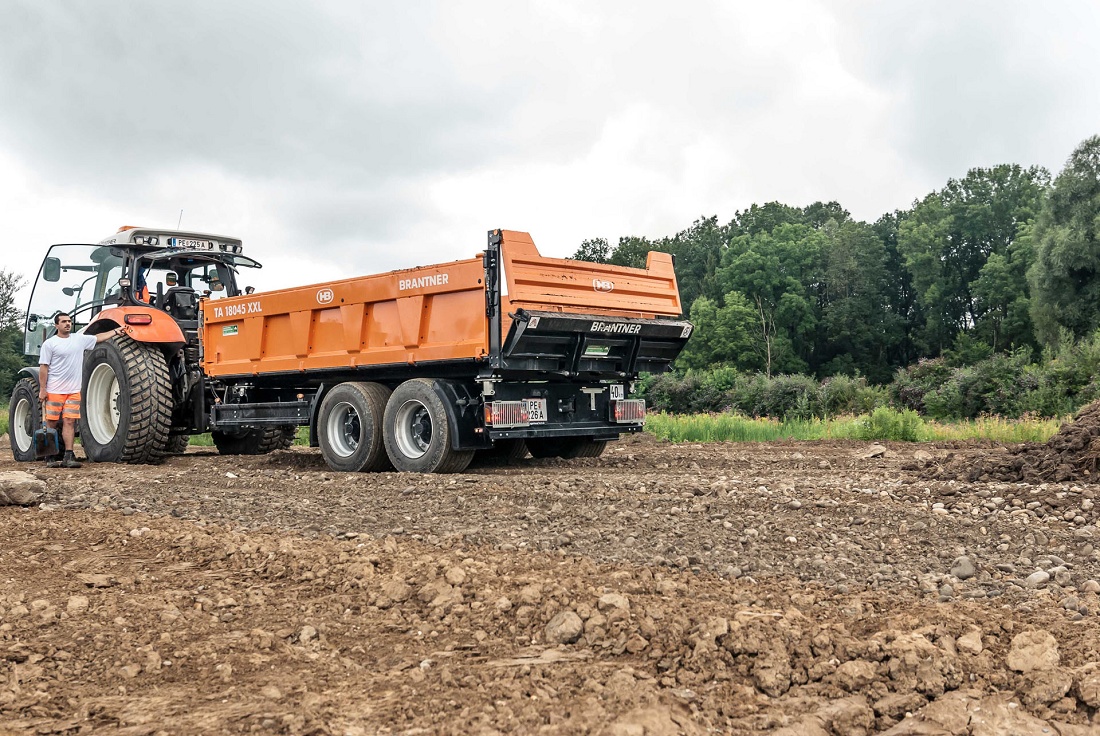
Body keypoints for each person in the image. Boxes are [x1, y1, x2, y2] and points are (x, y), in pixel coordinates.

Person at [38, 313, 125, 468]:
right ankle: (49, 456)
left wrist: (115, 331)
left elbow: (98, 337)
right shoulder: (49, 344)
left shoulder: (79, 339)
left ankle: (68, 456)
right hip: (54, 390)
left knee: (70, 422)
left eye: (69, 321)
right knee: (51, 423)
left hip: (73, 390)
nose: (67, 324)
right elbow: (44, 367)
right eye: (63, 322)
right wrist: (43, 389)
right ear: (56, 325)